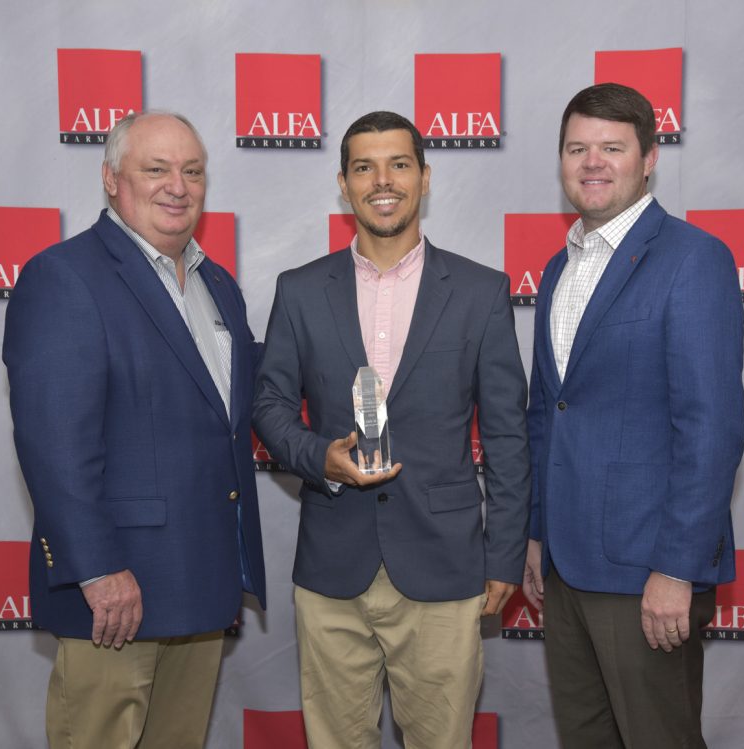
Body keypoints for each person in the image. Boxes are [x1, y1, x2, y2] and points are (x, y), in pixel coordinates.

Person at [253, 111, 530, 749]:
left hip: (445, 562)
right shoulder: (298, 290)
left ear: (424, 177)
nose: (383, 180)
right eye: (363, 167)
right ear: (344, 185)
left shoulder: (480, 291)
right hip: (332, 566)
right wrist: (319, 456)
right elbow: (268, 404)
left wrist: (505, 552)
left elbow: (510, 435)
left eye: (399, 164)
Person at [3, 111, 266, 749]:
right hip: (116, 596)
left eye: (193, 171)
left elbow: (229, 422)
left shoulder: (218, 287)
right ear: (111, 180)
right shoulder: (64, 277)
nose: (177, 185)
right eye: (156, 169)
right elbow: (54, 443)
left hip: (200, 584)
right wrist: (97, 569)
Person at [523, 83, 744, 748]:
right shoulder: (558, 270)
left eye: (612, 148)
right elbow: (547, 414)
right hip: (566, 567)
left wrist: (677, 569)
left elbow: (710, 428)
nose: (592, 162)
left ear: (648, 157)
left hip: (648, 573)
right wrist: (536, 533)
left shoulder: (693, 258)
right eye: (577, 148)